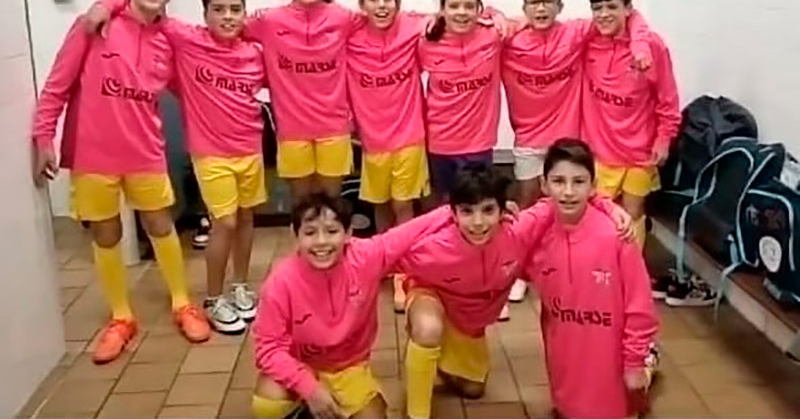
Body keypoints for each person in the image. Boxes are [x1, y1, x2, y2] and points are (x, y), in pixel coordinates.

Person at [31, 0, 210, 364]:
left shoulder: (171, 37)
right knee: (106, 233)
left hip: (145, 151)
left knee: (160, 225)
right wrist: (44, 138)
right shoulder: (95, 26)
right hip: (93, 154)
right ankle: (121, 317)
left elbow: (191, 88)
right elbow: (57, 85)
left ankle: (182, 303)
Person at [86, 0, 269, 334]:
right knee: (225, 222)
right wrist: (107, 2)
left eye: (235, 10)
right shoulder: (188, 40)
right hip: (211, 152)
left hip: (250, 147)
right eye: (218, 10)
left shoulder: (253, 53)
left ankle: (240, 285)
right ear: (205, 13)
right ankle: (214, 298)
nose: (228, 17)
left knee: (247, 219)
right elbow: (145, 4)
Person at [397, 165, 632, 419]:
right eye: (467, 211)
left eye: (488, 210)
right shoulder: (433, 244)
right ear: (454, 213)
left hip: (467, 322)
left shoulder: (517, 231)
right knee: (428, 328)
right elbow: (377, 254)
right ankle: (416, 411)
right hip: (431, 299)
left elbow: (562, 198)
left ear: (503, 209)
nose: (478, 222)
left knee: (474, 389)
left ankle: (434, 356)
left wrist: (612, 208)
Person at [502, 0, 654, 303]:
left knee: (568, 205)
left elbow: (631, 14)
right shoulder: (509, 39)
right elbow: (481, 18)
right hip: (527, 136)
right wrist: (498, 17)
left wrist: (641, 43)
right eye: (534, 2)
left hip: (567, 137)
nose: (541, 9)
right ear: (524, 7)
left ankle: (566, 267)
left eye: (547, 2)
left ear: (560, 6)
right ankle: (520, 270)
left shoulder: (576, 33)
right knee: (528, 202)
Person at [251, 194, 451, 419]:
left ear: (348, 233)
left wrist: (455, 210)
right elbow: (268, 348)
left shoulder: (366, 257)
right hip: (301, 365)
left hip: (349, 367)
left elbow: (413, 230)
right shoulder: (280, 282)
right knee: (266, 404)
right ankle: (305, 408)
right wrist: (310, 388)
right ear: (294, 235)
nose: (321, 242)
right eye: (309, 233)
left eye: (332, 231)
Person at [526, 138, 659, 418]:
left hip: (611, 374)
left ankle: (647, 363)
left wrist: (634, 363)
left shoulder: (616, 236)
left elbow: (640, 306)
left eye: (579, 181)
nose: (569, 192)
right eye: (559, 181)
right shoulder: (537, 236)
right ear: (544, 184)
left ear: (593, 185)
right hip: (566, 370)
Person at [246, 0, 363, 203]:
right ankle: (300, 244)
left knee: (332, 200)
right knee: (301, 202)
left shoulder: (343, 17)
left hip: (334, 127)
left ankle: (341, 244)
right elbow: (228, 30)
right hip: (291, 129)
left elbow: (382, 21)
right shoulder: (269, 20)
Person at [346, 0, 431, 312]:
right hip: (372, 140)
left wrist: (497, 16)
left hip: (409, 135)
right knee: (380, 204)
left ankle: (405, 272)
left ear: (398, 1)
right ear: (362, 4)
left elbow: (458, 13)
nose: (381, 5)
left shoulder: (412, 28)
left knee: (403, 205)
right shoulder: (349, 35)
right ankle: (383, 259)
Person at [581, 0, 681, 249]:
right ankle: (600, 270)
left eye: (611, 7)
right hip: (601, 150)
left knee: (632, 215)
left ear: (628, 8)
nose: (603, 15)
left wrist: (664, 138)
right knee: (599, 215)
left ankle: (630, 272)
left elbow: (668, 99)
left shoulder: (651, 47)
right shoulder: (587, 40)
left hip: (640, 151)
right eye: (597, 8)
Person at [419, 0, 503, 204]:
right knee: (445, 205)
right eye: (454, 6)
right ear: (442, 10)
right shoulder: (427, 41)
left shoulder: (494, 36)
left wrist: (496, 14)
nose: (462, 12)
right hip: (440, 142)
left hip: (479, 143)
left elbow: (523, 22)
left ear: (479, 9)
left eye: (469, 6)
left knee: (479, 203)